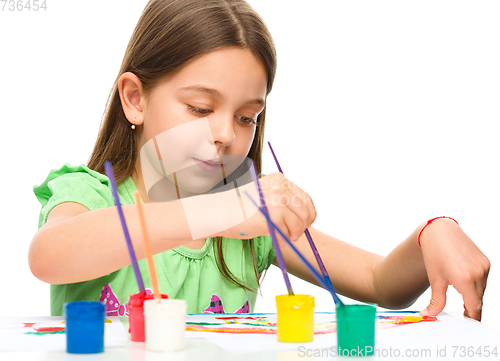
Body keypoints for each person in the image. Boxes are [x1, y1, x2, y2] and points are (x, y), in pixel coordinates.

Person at [30, 0, 489, 321]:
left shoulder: (252, 224)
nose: (227, 134)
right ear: (134, 99)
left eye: (248, 116)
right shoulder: (89, 194)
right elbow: (49, 256)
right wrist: (222, 211)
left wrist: (433, 232)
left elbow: (381, 284)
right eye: (200, 108)